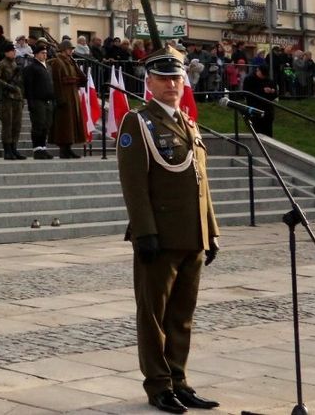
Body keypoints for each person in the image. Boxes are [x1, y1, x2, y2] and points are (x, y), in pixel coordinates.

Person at [116, 46, 220, 413]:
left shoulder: (188, 123)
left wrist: (212, 230)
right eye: (164, 78)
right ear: (150, 83)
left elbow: (201, 182)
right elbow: (134, 183)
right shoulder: (138, 122)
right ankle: (158, 385)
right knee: (154, 316)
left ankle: (179, 379)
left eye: (177, 77)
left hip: (192, 235)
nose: (172, 84)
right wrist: (144, 232)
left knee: (182, 316)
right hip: (159, 236)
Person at [47, 39, 87, 159]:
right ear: (64, 50)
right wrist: (59, 98)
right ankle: (63, 150)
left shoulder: (70, 62)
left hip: (72, 96)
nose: (71, 51)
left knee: (72, 124)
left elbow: (82, 79)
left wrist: (74, 64)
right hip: (64, 96)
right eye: (69, 49)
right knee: (64, 125)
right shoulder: (58, 62)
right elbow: (57, 81)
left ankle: (68, 148)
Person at [0, 45, 27, 160]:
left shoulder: (15, 64)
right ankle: (7, 150)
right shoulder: (1, 64)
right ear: (6, 52)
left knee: (16, 125)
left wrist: (21, 97)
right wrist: (8, 86)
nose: (14, 53)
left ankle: (14, 148)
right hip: (7, 98)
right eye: (12, 51)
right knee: (7, 125)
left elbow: (20, 83)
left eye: (14, 51)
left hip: (17, 98)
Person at [23, 43, 55, 159]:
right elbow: (29, 87)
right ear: (36, 54)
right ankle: (37, 149)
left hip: (48, 101)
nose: (45, 55)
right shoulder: (31, 68)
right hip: (37, 100)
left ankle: (43, 148)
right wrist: (30, 102)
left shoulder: (48, 67)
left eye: (46, 53)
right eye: (42, 53)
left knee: (46, 125)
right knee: (38, 125)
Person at [242, 65, 278, 137]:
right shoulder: (249, 79)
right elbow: (247, 93)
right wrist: (262, 90)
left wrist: (272, 91)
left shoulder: (269, 80)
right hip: (255, 109)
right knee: (257, 132)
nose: (263, 77)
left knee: (268, 133)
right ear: (258, 71)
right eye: (262, 75)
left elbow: (275, 94)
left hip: (267, 111)